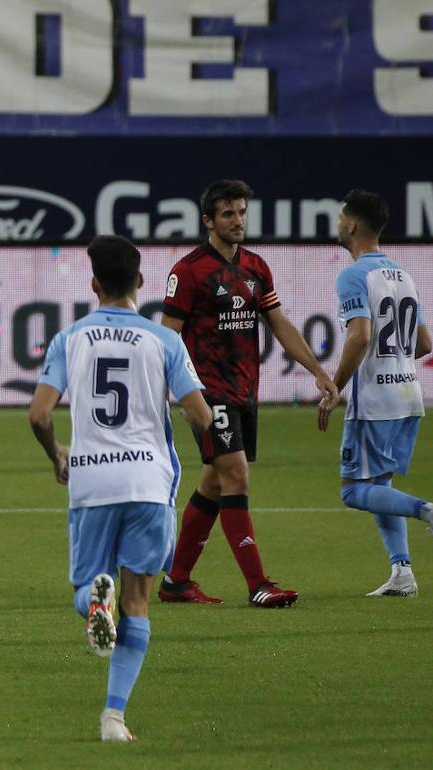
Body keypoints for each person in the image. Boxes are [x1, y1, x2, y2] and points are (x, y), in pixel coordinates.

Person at [28, 235, 212, 742]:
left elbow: (39, 414)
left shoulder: (71, 339)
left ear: (93, 283)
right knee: (139, 601)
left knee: (87, 589)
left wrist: (57, 454)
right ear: (141, 282)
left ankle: (93, 599)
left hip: (92, 479)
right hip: (149, 481)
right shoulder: (164, 341)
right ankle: (114, 718)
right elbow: (200, 414)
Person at [157, 179, 338, 608]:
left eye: (241, 212)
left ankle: (176, 581)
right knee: (236, 475)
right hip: (207, 393)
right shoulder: (187, 272)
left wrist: (318, 371)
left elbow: (279, 323)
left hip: (244, 391)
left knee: (217, 484)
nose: (238, 221)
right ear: (208, 220)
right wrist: (181, 394)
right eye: (227, 214)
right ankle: (258, 584)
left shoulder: (256, 267)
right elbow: (167, 338)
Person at [318, 190, 433, 597]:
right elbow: (426, 343)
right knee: (380, 486)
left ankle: (432, 513)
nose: (338, 223)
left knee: (353, 490)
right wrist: (395, 357)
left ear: (354, 226)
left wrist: (335, 387)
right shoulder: (403, 275)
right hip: (408, 394)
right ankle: (402, 573)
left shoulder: (353, 275)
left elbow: (359, 335)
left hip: (376, 401)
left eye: (341, 217)